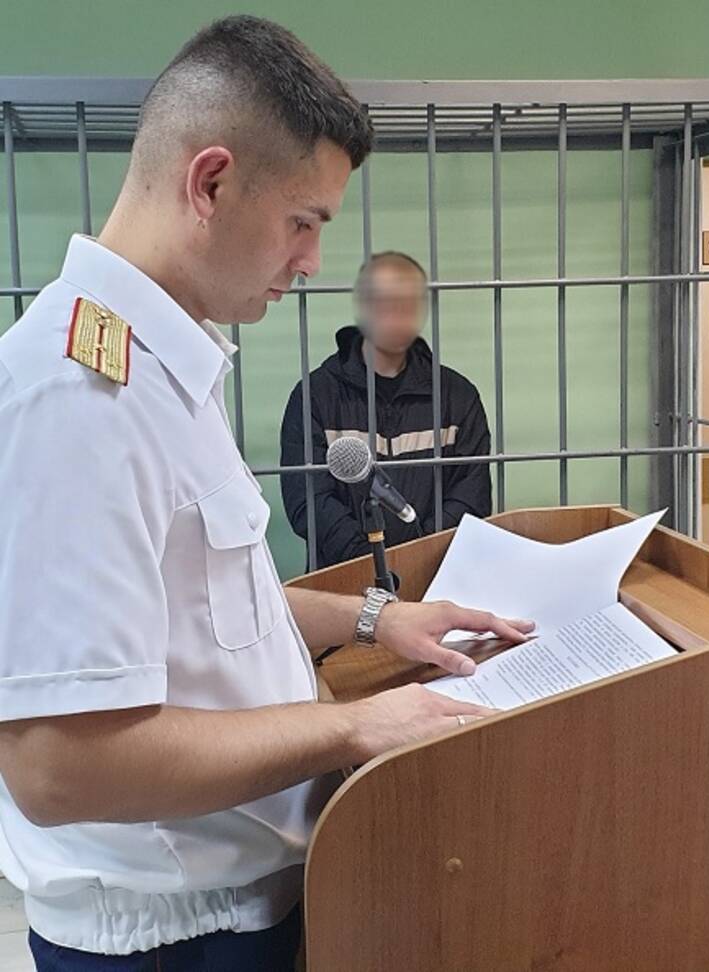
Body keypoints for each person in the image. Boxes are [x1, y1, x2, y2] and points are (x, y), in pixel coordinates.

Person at [0, 17, 532, 969]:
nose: (312, 263)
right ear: (209, 183)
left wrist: (376, 620)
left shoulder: (162, 365)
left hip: (242, 903)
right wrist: (353, 723)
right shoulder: (77, 396)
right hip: (173, 939)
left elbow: (204, 612)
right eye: (304, 222)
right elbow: (57, 766)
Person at [280, 251, 492, 569]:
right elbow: (309, 500)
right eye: (386, 303)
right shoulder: (316, 396)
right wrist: (370, 564)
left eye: (408, 304)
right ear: (363, 306)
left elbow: (471, 496)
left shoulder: (456, 396)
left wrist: (418, 560)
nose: (397, 316)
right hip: (342, 583)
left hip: (436, 577)